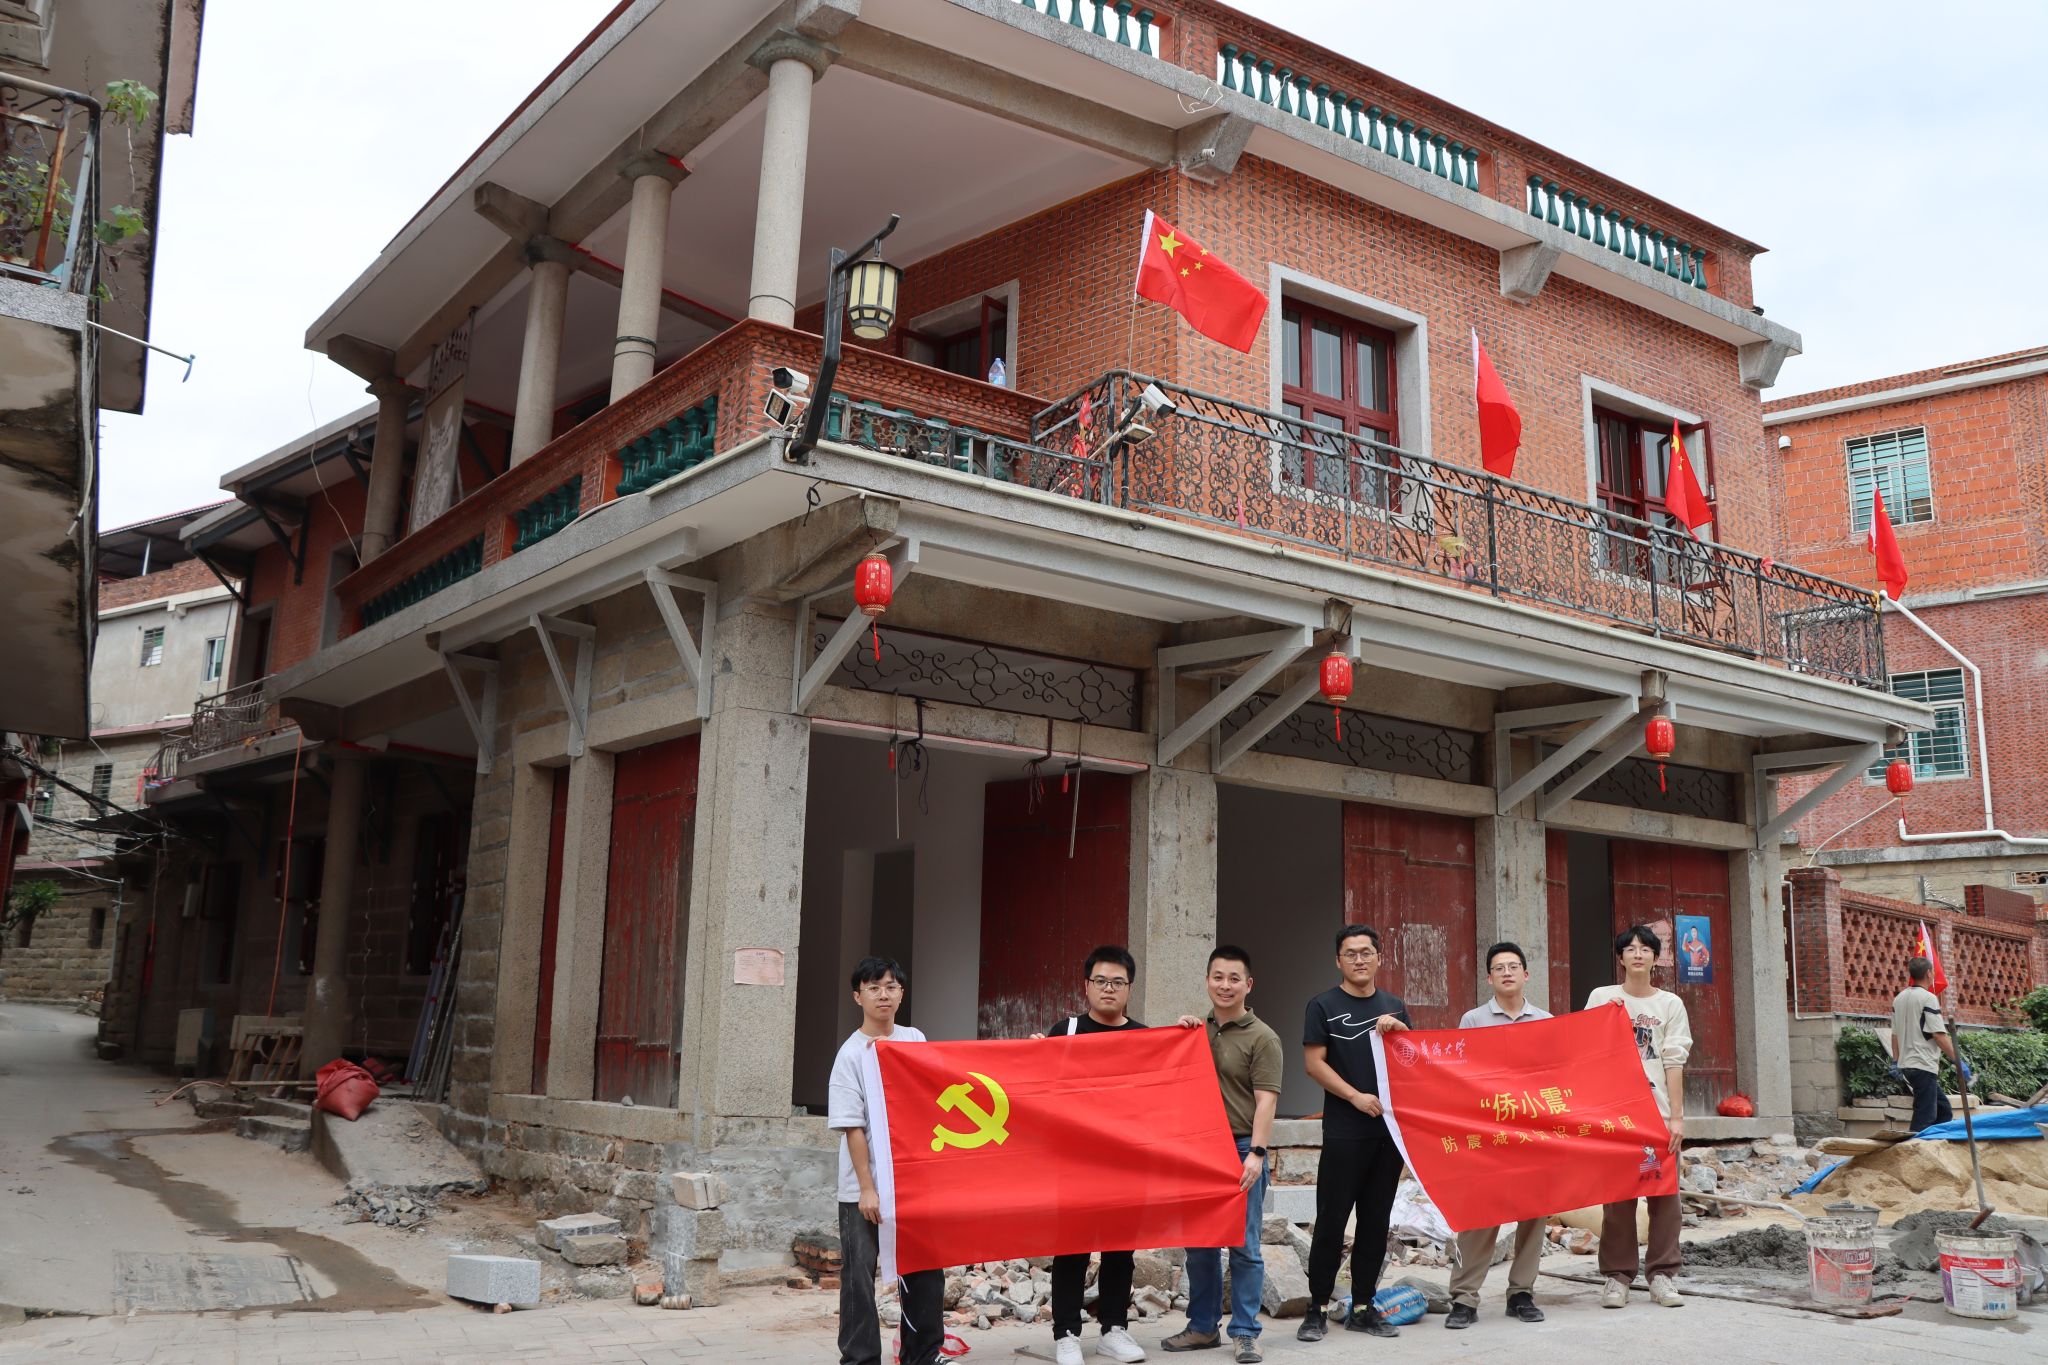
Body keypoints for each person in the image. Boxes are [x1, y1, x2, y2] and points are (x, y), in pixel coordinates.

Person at [1163, 946, 1282, 1364]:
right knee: (1200, 1245)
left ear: (1248, 985)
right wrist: (1180, 1035)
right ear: (1207, 981)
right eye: (1218, 977)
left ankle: (1246, 1333)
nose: (1225, 985)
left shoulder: (1263, 1037)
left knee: (1245, 1246)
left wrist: (1257, 1154)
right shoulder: (1196, 1031)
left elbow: (1267, 1101)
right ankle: (1202, 1327)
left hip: (1242, 1147)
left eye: (1234, 978)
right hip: (1200, 1150)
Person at [1031, 946, 1149, 1365]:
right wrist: (1030, 1057)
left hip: (1125, 1161)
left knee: (1121, 1249)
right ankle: (1066, 1334)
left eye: (1118, 982)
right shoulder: (1065, 1032)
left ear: (1129, 988)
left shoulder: (1145, 1038)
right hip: (1075, 1161)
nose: (1109, 989)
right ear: (1086, 986)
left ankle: (1114, 1329)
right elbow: (1040, 1089)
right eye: (1101, 981)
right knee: (1072, 1249)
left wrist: (1186, 1032)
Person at [1296, 924, 1411, 1343]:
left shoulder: (1394, 1006)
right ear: (1338, 960)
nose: (1359, 960)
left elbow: (1412, 1061)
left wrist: (1401, 1033)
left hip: (1387, 1133)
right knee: (1331, 1221)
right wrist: (1355, 1097)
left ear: (1379, 957)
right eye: (1351, 953)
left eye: (1366, 952)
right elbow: (1314, 1064)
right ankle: (1317, 1308)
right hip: (1345, 1131)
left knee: (1376, 1222)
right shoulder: (1323, 1005)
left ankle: (1363, 1306)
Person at [828, 956, 945, 1365]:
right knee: (859, 1278)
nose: (884, 994)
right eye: (874, 987)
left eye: (891, 986)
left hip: (912, 1182)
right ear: (857, 996)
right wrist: (866, 1188)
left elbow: (931, 1099)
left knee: (925, 1269)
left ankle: (923, 1354)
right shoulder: (850, 1055)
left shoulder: (915, 1039)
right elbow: (852, 1127)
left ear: (901, 994)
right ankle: (860, 1359)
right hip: (865, 1186)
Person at [1585, 925, 1692, 1310]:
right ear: (1620, 958)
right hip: (1616, 1116)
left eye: (1645, 948)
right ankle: (1617, 1277)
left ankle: (1662, 1275)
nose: (1637, 954)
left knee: (1665, 1198)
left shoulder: (1670, 1004)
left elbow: (1674, 1061)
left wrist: (1676, 1118)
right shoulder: (1602, 997)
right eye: (1629, 949)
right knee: (1618, 1199)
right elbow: (1586, 1050)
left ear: (1655, 958)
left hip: (1657, 1114)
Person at [1444, 942, 1551, 1330]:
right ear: (1489, 978)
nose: (1507, 972)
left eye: (1513, 966)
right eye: (1499, 968)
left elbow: (1556, 1073)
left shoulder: (1546, 1021)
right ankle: (1464, 1298)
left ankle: (1521, 1293)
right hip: (1488, 1131)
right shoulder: (1473, 1020)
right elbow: (1462, 1073)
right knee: (1479, 1212)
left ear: (1526, 974)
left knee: (1534, 1212)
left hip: (1532, 1130)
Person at [1891, 956, 1964, 1133]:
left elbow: (1894, 1035)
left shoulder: (1898, 999)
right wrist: (1957, 1060)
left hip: (1908, 1065)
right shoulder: (1928, 998)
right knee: (1925, 1117)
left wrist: (1895, 1061)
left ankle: (1937, 1143)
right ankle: (1913, 1146)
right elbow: (1938, 1035)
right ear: (1929, 973)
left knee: (1943, 1110)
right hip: (1922, 1064)